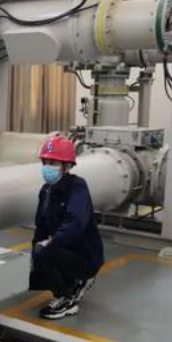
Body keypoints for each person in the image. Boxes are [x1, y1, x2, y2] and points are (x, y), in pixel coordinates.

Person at [29, 135, 104, 320]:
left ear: (67, 166)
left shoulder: (77, 187)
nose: (48, 167)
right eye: (45, 162)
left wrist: (49, 245)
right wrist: (35, 251)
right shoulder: (46, 190)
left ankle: (68, 298)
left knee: (46, 253)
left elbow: (74, 223)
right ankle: (71, 282)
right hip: (64, 249)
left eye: (53, 163)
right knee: (38, 261)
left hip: (85, 255)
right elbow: (41, 225)